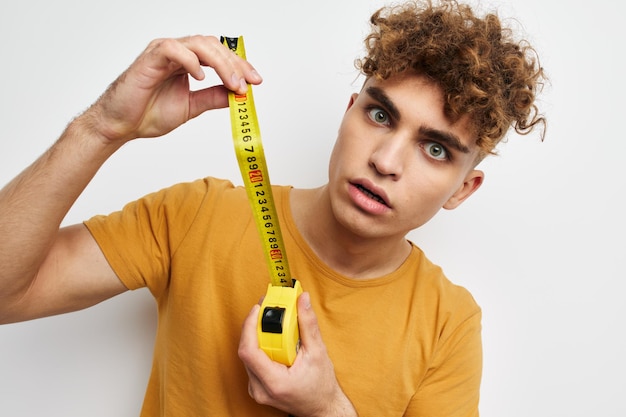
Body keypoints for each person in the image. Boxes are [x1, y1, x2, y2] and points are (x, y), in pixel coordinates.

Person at [0, 0, 545, 415]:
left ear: (462, 189)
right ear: (349, 111)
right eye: (380, 116)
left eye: (434, 148)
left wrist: (327, 407)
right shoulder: (197, 216)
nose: (385, 160)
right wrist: (101, 127)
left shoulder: (448, 323)